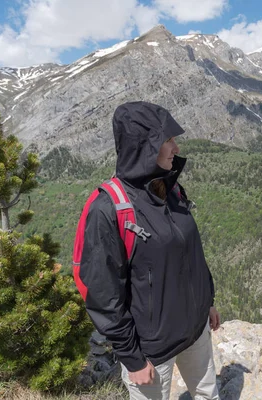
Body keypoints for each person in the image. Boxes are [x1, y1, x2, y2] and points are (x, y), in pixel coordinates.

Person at [79, 101, 221, 400]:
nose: (176, 147)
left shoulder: (170, 190)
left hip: (195, 329)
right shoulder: (109, 208)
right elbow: (104, 293)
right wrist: (132, 358)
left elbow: (190, 253)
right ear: (144, 146)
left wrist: (206, 300)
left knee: (208, 395)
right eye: (167, 140)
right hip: (151, 349)